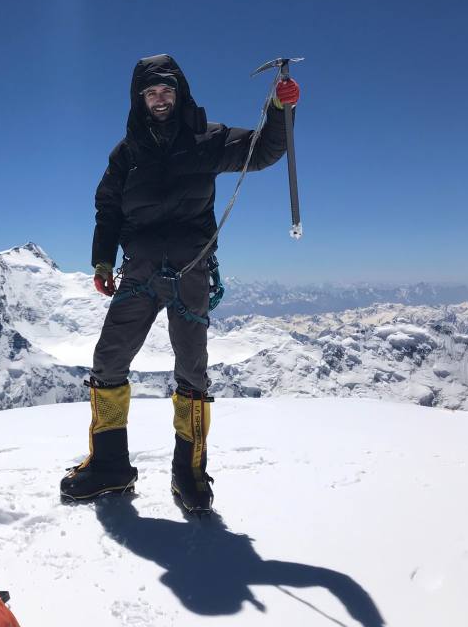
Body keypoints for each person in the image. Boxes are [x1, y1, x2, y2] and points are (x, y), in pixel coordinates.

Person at [60, 54, 300, 512]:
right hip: (140, 271)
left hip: (190, 271)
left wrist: (279, 109)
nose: (159, 99)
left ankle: (188, 472)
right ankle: (110, 466)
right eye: (151, 92)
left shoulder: (207, 139)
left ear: (179, 92)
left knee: (192, 371)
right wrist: (102, 261)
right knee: (109, 359)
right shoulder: (127, 153)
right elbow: (108, 208)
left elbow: (264, 151)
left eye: (166, 90)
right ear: (140, 99)